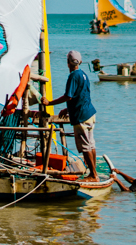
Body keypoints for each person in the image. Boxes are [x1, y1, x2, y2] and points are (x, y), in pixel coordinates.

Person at [42, 50, 99, 182]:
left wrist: (49, 103)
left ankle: (93, 175)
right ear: (80, 62)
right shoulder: (83, 74)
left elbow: (68, 96)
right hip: (90, 113)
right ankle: (93, 172)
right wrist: (67, 109)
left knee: (86, 147)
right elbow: (81, 96)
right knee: (91, 145)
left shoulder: (73, 76)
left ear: (68, 62)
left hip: (81, 117)